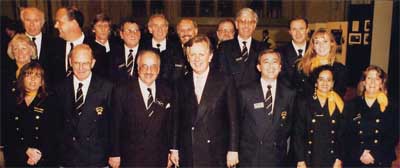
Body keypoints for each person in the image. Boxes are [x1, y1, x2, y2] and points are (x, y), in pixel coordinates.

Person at [175, 35, 239, 167]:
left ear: (210, 56)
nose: (196, 59)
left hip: (216, 149)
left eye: (201, 54)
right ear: (187, 57)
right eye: (192, 55)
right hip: (188, 149)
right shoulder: (181, 83)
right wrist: (174, 148)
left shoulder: (225, 80)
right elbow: (176, 119)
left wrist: (233, 149)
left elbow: (233, 118)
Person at [109, 50, 177, 167]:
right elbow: (114, 124)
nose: (148, 71)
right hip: (130, 158)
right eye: (144, 66)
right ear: (137, 68)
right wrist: (114, 153)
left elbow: (171, 125)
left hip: (159, 158)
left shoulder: (168, 91)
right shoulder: (121, 91)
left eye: (153, 67)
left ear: (159, 69)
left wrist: (171, 152)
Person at [55, 44, 113, 166]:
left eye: (85, 63)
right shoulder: (60, 88)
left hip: (96, 158)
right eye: (76, 63)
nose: (81, 68)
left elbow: (113, 125)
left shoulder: (107, 88)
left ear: (93, 63)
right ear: (70, 62)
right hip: (67, 158)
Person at [238, 50, 296, 167]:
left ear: (280, 67)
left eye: (274, 62)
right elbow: (237, 123)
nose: (271, 66)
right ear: (259, 67)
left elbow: (290, 125)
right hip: (251, 156)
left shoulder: (289, 93)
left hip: (277, 156)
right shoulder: (245, 92)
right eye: (266, 62)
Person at [4, 62, 56, 166]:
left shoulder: (51, 101)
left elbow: (54, 133)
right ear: (22, 79)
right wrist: (26, 150)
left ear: (42, 81)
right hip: (16, 156)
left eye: (37, 75)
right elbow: (7, 131)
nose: (33, 79)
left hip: (41, 158)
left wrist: (37, 155)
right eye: (28, 75)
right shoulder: (11, 100)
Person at [345, 65, 398, 167]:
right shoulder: (351, 105)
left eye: (377, 78)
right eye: (369, 78)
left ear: (382, 83)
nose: (372, 82)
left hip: (380, 159)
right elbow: (346, 134)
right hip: (355, 158)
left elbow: (393, 136)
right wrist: (360, 153)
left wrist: (374, 155)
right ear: (364, 82)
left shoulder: (391, 107)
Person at [294, 65, 345, 168]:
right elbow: (297, 133)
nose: (325, 83)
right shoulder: (304, 102)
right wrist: (300, 160)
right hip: (309, 158)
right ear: (316, 83)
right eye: (321, 79)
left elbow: (342, 134)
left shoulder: (339, 103)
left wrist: (339, 158)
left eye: (329, 80)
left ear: (333, 83)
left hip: (331, 158)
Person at [52, 7, 106, 84]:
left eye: (59, 22)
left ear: (74, 23)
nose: (55, 26)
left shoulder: (98, 50)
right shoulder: (52, 48)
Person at [218, 8, 266, 87]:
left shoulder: (263, 48)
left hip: (255, 96)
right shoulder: (224, 47)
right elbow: (222, 75)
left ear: (254, 26)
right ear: (236, 24)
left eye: (250, 22)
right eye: (243, 21)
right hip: (231, 95)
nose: (246, 25)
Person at [295, 28, 347, 97]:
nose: (321, 45)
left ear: (331, 43)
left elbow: (340, 94)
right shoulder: (302, 66)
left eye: (325, 41)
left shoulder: (340, 70)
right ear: (313, 46)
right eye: (317, 42)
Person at [142, 14, 186, 83]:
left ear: (167, 28)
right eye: (156, 26)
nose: (160, 29)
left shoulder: (177, 47)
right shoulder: (143, 47)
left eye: (163, 26)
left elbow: (179, 74)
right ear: (150, 29)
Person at [88, 13, 119, 79]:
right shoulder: (88, 49)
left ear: (109, 29)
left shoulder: (117, 46)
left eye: (105, 26)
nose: (103, 29)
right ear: (93, 29)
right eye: (99, 26)